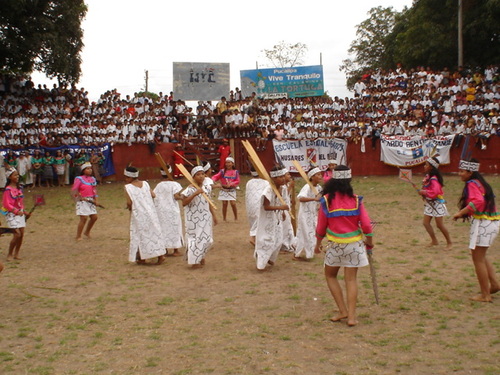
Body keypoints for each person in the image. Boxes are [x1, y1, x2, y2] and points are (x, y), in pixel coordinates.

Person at [314, 165, 373, 326]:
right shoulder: (356, 200)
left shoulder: (326, 201)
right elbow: (367, 226)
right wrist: (370, 241)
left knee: (330, 275)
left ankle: (342, 310)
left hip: (335, 245)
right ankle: (352, 317)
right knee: (351, 280)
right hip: (354, 244)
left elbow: (321, 227)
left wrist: (317, 243)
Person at [453, 158, 499, 302]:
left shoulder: (472, 183)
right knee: (481, 256)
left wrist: (461, 212)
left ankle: (485, 295)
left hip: (483, 223)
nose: (459, 174)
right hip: (491, 222)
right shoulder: (480, 183)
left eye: (462, 171)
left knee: (477, 258)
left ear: (470, 172)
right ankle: (495, 284)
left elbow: (478, 201)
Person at [124, 166, 166, 265]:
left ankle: (143, 257)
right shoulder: (146, 184)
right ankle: (160, 256)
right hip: (151, 212)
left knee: (139, 235)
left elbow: (129, 203)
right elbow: (153, 195)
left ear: (130, 177)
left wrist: (130, 206)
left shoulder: (128, 187)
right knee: (155, 233)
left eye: (126, 177)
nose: (125, 179)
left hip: (139, 215)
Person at [254, 165, 289, 271]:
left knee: (278, 240)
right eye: (280, 177)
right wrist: (281, 207)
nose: (283, 179)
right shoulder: (268, 190)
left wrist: (282, 211)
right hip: (267, 218)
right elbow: (266, 206)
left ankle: (268, 258)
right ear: (273, 178)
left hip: (277, 218)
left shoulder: (283, 189)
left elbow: (281, 201)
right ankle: (260, 263)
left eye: (283, 176)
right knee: (267, 240)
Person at [182, 166, 217, 268]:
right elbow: (184, 202)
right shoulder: (189, 189)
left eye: (202, 174)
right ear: (193, 177)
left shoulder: (206, 188)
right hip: (193, 219)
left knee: (207, 239)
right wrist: (195, 194)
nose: (201, 176)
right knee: (195, 239)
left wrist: (214, 216)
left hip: (205, 218)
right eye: (198, 174)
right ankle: (194, 261)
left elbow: (208, 202)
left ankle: (201, 256)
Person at [418, 156, 453, 250]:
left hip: (437, 204)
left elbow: (435, 192)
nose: (424, 166)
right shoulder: (428, 177)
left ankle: (449, 242)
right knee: (426, 223)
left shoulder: (433, 179)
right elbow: (428, 190)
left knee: (439, 225)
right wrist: (423, 193)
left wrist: (424, 192)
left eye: (426, 165)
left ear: (431, 167)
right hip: (430, 203)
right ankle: (434, 240)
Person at [294, 167, 323, 261]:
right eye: (318, 174)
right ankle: (308, 254)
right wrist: (313, 199)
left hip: (313, 213)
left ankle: (298, 254)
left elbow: (321, 199)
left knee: (310, 232)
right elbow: (301, 198)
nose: (320, 176)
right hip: (305, 214)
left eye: (320, 174)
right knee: (307, 233)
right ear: (312, 177)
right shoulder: (307, 187)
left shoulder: (319, 188)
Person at [153, 167, 184, 257]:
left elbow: (154, 195)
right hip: (172, 210)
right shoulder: (174, 184)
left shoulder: (159, 185)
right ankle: (175, 250)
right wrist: (182, 197)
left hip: (161, 210)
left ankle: (165, 249)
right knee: (175, 228)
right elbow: (175, 196)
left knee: (163, 229)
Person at [2, 169, 31, 260]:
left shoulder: (19, 188)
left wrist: (24, 211)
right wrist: (16, 211)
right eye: (15, 175)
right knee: (17, 234)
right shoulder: (7, 190)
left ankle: (16, 253)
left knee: (21, 234)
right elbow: (6, 204)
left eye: (18, 175)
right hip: (11, 214)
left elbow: (20, 202)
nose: (17, 177)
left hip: (20, 213)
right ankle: (9, 254)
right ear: (10, 177)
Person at [71, 162, 99, 241]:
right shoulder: (79, 179)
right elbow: (74, 190)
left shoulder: (92, 179)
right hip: (82, 201)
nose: (90, 170)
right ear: (83, 170)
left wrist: (96, 200)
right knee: (84, 218)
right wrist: (79, 197)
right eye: (87, 169)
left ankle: (87, 232)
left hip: (90, 200)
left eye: (90, 168)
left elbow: (94, 190)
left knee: (94, 217)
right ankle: (78, 235)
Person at [245, 168, 269, 246]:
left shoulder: (249, 182)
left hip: (250, 205)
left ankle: (256, 238)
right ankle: (252, 237)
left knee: (253, 220)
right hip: (259, 204)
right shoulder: (265, 182)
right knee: (259, 220)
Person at [212, 157, 240, 221]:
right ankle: (224, 218)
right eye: (226, 162)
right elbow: (216, 176)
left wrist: (231, 184)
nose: (227, 164)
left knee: (233, 203)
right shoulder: (222, 171)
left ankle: (236, 217)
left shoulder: (235, 172)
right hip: (224, 189)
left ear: (232, 164)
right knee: (224, 204)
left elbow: (237, 181)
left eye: (229, 162)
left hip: (231, 189)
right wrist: (213, 179)